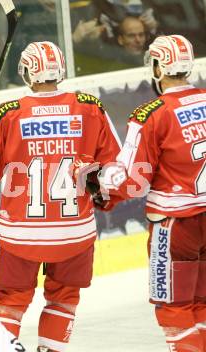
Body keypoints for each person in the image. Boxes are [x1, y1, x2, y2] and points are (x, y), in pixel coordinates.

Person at [0, 41, 122, 351]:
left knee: (10, 301)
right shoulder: (90, 107)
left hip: (21, 236)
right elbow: (116, 173)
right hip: (76, 234)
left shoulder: (10, 114)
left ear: (27, 72)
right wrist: (104, 196)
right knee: (64, 299)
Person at [76, 35, 206, 352]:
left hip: (175, 225)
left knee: (174, 307)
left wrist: (100, 190)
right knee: (203, 303)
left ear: (160, 66)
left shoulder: (152, 114)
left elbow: (131, 178)